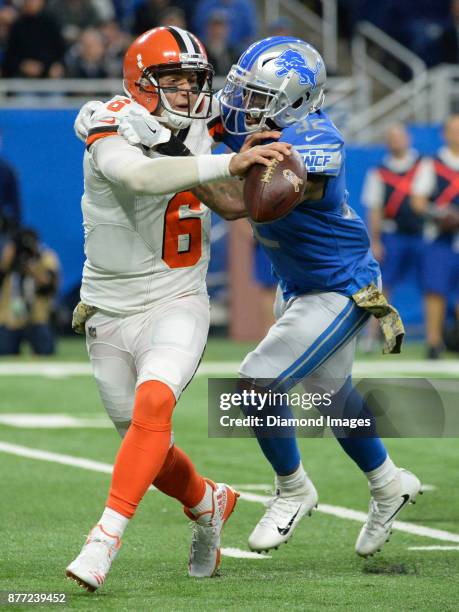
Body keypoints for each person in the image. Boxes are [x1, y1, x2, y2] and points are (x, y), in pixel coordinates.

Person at [78, 35, 421, 561]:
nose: (242, 105)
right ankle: (387, 482)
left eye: (258, 95)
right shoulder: (261, 119)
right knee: (332, 395)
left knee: (256, 382)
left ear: (295, 100)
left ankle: (292, 489)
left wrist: (179, 155)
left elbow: (244, 204)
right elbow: (185, 111)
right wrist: (118, 123)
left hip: (339, 286)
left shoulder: (315, 145)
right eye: (243, 89)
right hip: (301, 283)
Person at [66, 26, 291, 592]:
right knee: (147, 442)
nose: (187, 92)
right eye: (172, 79)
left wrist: (286, 126)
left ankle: (104, 539)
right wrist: (225, 165)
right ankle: (208, 501)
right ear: (140, 82)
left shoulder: (204, 118)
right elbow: (140, 176)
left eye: (193, 80)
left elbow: (270, 111)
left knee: (155, 404)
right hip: (109, 307)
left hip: (177, 297)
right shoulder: (107, 120)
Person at [361, 124, 424, 352]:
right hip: (393, 235)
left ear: (408, 138)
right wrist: (375, 241)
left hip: (425, 234)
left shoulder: (424, 165)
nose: (397, 141)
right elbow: (374, 209)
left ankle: (439, 339)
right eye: (392, 138)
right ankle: (378, 336)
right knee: (381, 287)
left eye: (400, 137)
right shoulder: (378, 172)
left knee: (434, 286)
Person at [412, 115, 459, 359]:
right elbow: (418, 201)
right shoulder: (432, 163)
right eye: (454, 130)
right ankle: (433, 341)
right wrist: (441, 214)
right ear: (445, 134)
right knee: (435, 290)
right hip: (439, 237)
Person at [0, 228, 59, 355]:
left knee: (46, 351)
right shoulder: (10, 258)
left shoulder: (45, 257)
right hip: (11, 319)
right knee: (4, 351)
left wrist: (33, 267)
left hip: (37, 317)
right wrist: (8, 259)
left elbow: (50, 284)